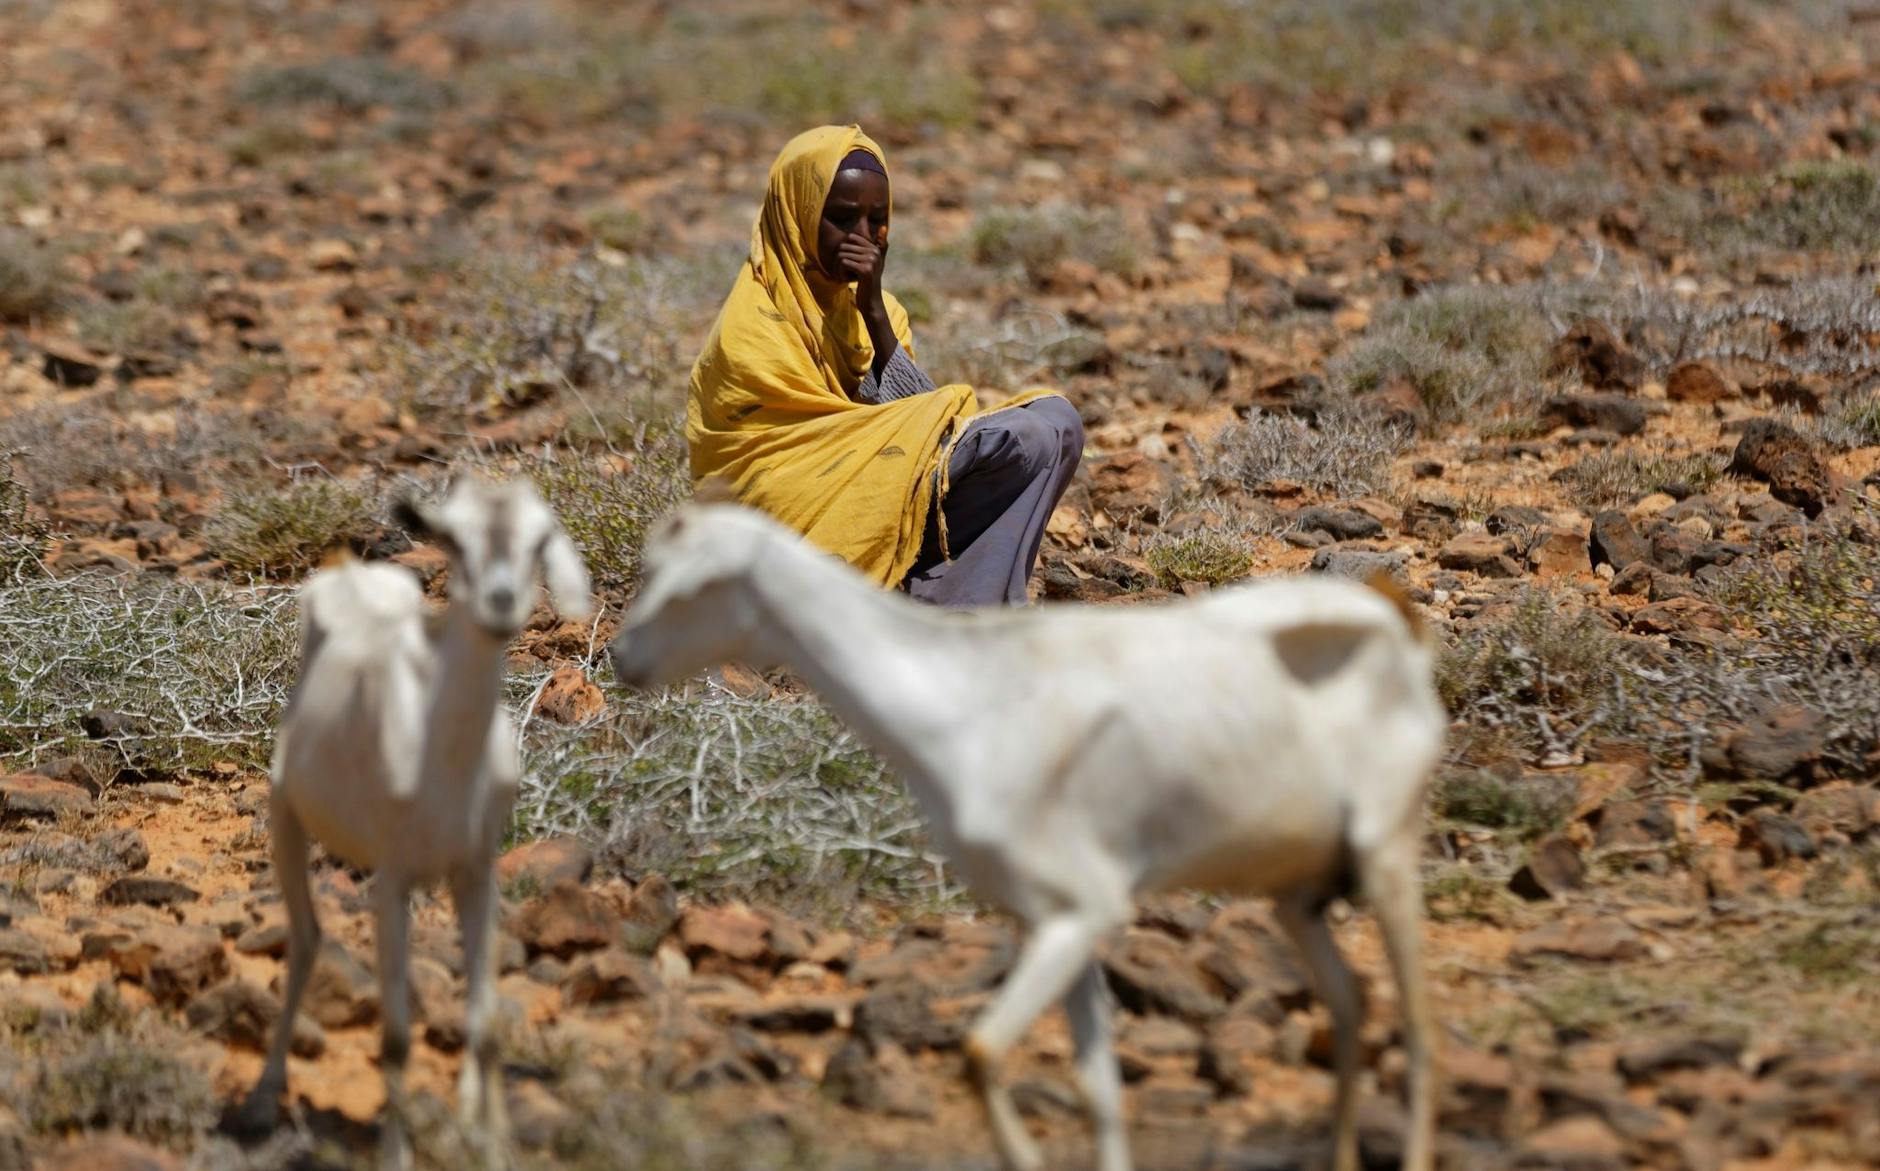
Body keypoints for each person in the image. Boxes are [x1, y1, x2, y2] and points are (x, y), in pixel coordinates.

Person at [687, 124, 1083, 607]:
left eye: (877, 220)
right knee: (1026, 437)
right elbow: (774, 473)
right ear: (798, 215)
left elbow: (918, 427)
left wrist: (874, 312)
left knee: (1059, 422)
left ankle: (956, 601)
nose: (862, 237)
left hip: (880, 493)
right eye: (841, 218)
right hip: (796, 528)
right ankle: (953, 611)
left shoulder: (880, 313)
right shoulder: (754, 323)